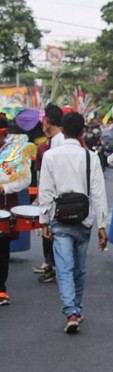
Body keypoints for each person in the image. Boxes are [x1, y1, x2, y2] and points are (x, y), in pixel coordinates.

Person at [38, 112, 108, 333]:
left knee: (64, 268)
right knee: (79, 268)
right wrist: (102, 225)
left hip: (60, 218)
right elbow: (98, 192)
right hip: (84, 219)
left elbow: (46, 191)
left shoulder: (50, 156)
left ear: (62, 130)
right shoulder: (91, 157)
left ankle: (71, 312)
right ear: (82, 131)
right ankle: (76, 307)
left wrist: (44, 221)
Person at [0, 113, 32, 306]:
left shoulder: (16, 152)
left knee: (2, 248)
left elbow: (25, 180)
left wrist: (5, 188)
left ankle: (1, 289)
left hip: (4, 203)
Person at [34, 104, 65, 282]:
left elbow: (48, 180)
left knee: (58, 239)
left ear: (47, 121)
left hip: (57, 201)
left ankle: (57, 270)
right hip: (60, 201)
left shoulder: (53, 147)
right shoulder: (49, 144)